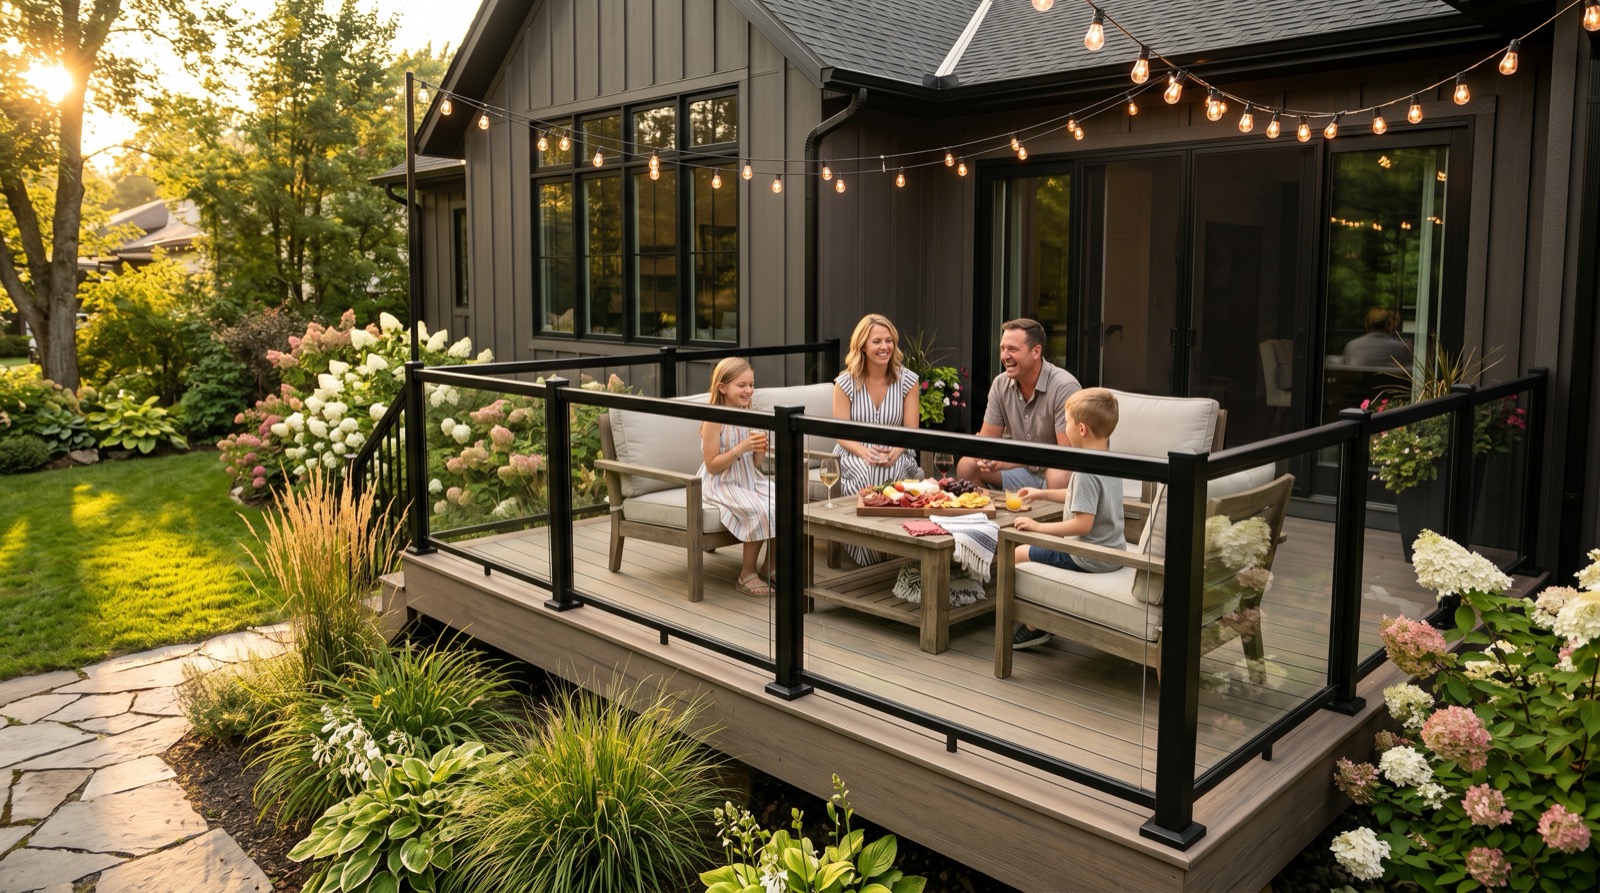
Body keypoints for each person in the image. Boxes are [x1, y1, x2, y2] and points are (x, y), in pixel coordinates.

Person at [1007, 387, 1127, 650]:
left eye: (1068, 422)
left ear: (1081, 429)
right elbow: (1081, 498)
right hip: (1112, 552)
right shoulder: (1110, 460)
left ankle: (1032, 624)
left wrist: (1038, 526)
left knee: (1016, 553)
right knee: (1030, 551)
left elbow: (1083, 523)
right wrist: (1043, 493)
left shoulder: (1085, 470)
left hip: (1086, 555)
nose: (1066, 427)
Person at [832, 314, 922, 564]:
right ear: (862, 345)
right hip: (854, 452)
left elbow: (911, 429)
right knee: (868, 474)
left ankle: (892, 547)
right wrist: (863, 452)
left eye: (889, 340)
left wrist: (895, 450)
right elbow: (840, 433)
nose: (884, 347)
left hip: (898, 450)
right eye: (877, 341)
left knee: (890, 472)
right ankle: (872, 552)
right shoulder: (845, 382)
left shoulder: (908, 380)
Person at [956, 318, 1081, 490]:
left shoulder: (1064, 387)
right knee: (967, 466)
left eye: (1012, 349)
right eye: (1003, 348)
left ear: (1036, 352)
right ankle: (993, 515)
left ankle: (1050, 517)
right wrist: (983, 457)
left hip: (1056, 472)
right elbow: (988, 440)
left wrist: (1012, 459)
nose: (1004, 356)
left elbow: (1067, 454)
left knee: (1058, 476)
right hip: (1022, 472)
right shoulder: (1000, 384)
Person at [698, 357, 775, 597]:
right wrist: (741, 448)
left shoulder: (750, 413)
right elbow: (711, 466)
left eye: (751, 385)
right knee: (761, 509)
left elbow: (756, 463)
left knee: (785, 501)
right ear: (722, 387)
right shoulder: (714, 419)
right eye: (741, 386)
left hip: (748, 477)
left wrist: (761, 447)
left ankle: (770, 565)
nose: (748, 391)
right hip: (721, 482)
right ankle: (746, 574)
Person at [1342, 307, 1411, 368]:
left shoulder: (1352, 345)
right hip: (1390, 382)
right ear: (1389, 325)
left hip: (1359, 383)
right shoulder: (1402, 348)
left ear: (1367, 326)